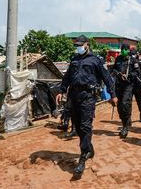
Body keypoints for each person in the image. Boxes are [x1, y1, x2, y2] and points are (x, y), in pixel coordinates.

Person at [55, 35, 117, 176]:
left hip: (88, 96)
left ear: (87, 44)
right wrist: (61, 90)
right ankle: (89, 148)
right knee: (77, 126)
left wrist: (113, 95)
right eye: (77, 45)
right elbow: (67, 78)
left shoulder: (95, 60)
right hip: (74, 96)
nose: (78, 47)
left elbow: (107, 78)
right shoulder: (74, 60)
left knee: (85, 125)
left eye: (80, 44)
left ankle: (83, 157)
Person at [111, 44, 141, 139]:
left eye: (125, 49)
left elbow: (138, 72)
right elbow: (114, 69)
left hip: (128, 85)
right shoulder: (118, 59)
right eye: (122, 49)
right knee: (120, 106)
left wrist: (128, 75)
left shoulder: (133, 60)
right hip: (119, 85)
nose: (124, 51)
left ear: (128, 50)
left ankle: (125, 127)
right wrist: (119, 74)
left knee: (125, 103)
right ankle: (125, 119)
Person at [130, 49, 141, 123]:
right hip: (129, 84)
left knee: (139, 101)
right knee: (128, 102)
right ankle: (128, 118)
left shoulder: (140, 63)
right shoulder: (128, 62)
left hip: (138, 85)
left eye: (133, 55)